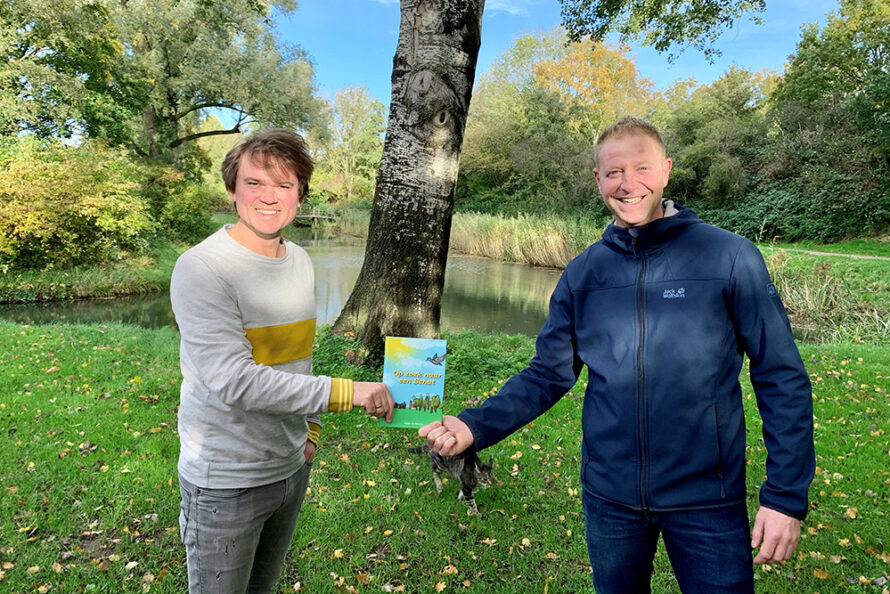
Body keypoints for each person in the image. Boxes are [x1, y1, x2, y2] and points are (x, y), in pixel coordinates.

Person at [420, 117, 814, 593]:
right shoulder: (583, 274)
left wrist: (785, 497)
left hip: (707, 497)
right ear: (597, 180)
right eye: (613, 173)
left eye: (642, 168)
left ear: (666, 171)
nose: (629, 185)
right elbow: (548, 373)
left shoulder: (728, 258)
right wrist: (475, 425)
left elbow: (781, 377)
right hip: (610, 498)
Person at [170, 128, 394, 593]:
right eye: (255, 183)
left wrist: (309, 429)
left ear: (300, 194)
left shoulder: (300, 262)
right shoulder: (202, 268)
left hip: (291, 466)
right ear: (232, 190)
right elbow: (234, 381)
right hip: (225, 480)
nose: (269, 197)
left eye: (284, 185)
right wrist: (349, 394)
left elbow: (299, 360)